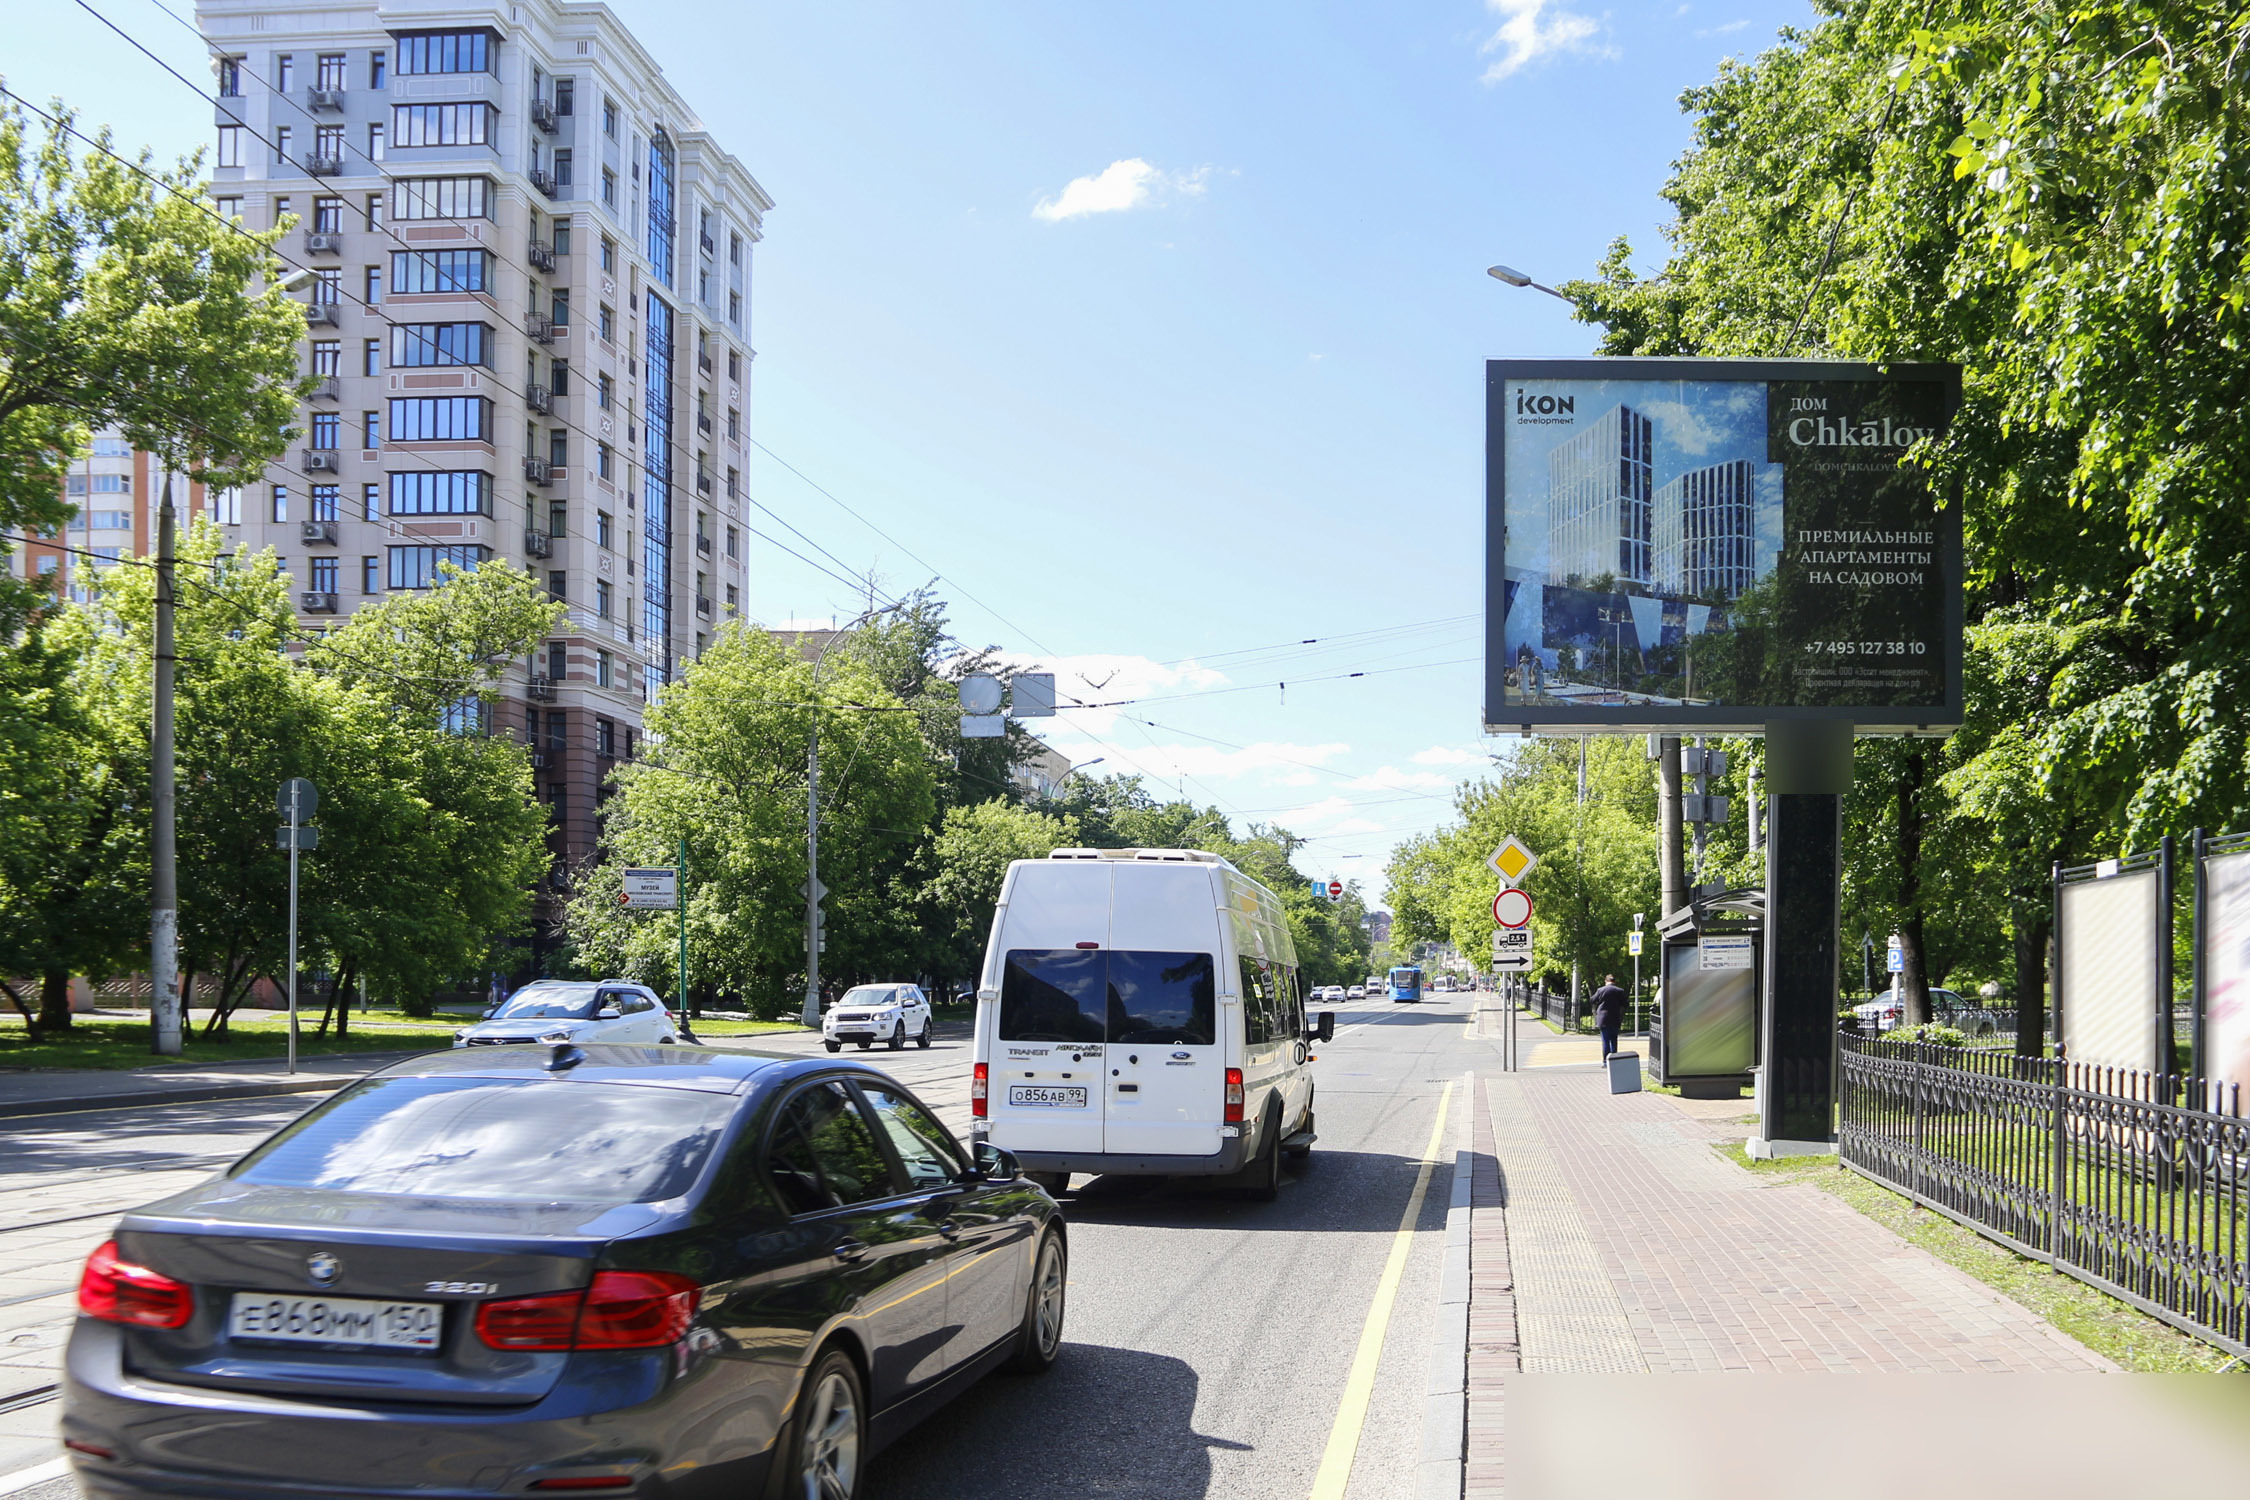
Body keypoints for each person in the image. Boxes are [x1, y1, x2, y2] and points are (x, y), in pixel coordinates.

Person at [1591, 973, 1629, 1060]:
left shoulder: (1600, 990)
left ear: (1606, 981)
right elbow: (1626, 1004)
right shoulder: (1619, 991)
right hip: (1615, 1018)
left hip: (1603, 1019)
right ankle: (1614, 1060)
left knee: (1605, 1040)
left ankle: (1605, 1060)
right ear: (1614, 982)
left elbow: (1592, 1000)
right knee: (1614, 1040)